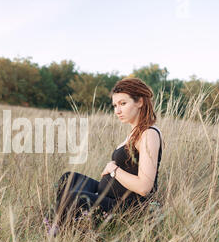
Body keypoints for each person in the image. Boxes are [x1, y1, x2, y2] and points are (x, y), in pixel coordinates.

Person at [50, 77, 163, 233]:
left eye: (123, 104)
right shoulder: (133, 132)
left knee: (75, 197)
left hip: (127, 207)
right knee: (69, 179)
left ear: (140, 102)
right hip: (109, 196)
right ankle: (62, 224)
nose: (117, 111)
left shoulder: (148, 134)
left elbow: (144, 187)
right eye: (115, 106)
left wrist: (113, 170)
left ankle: (58, 230)